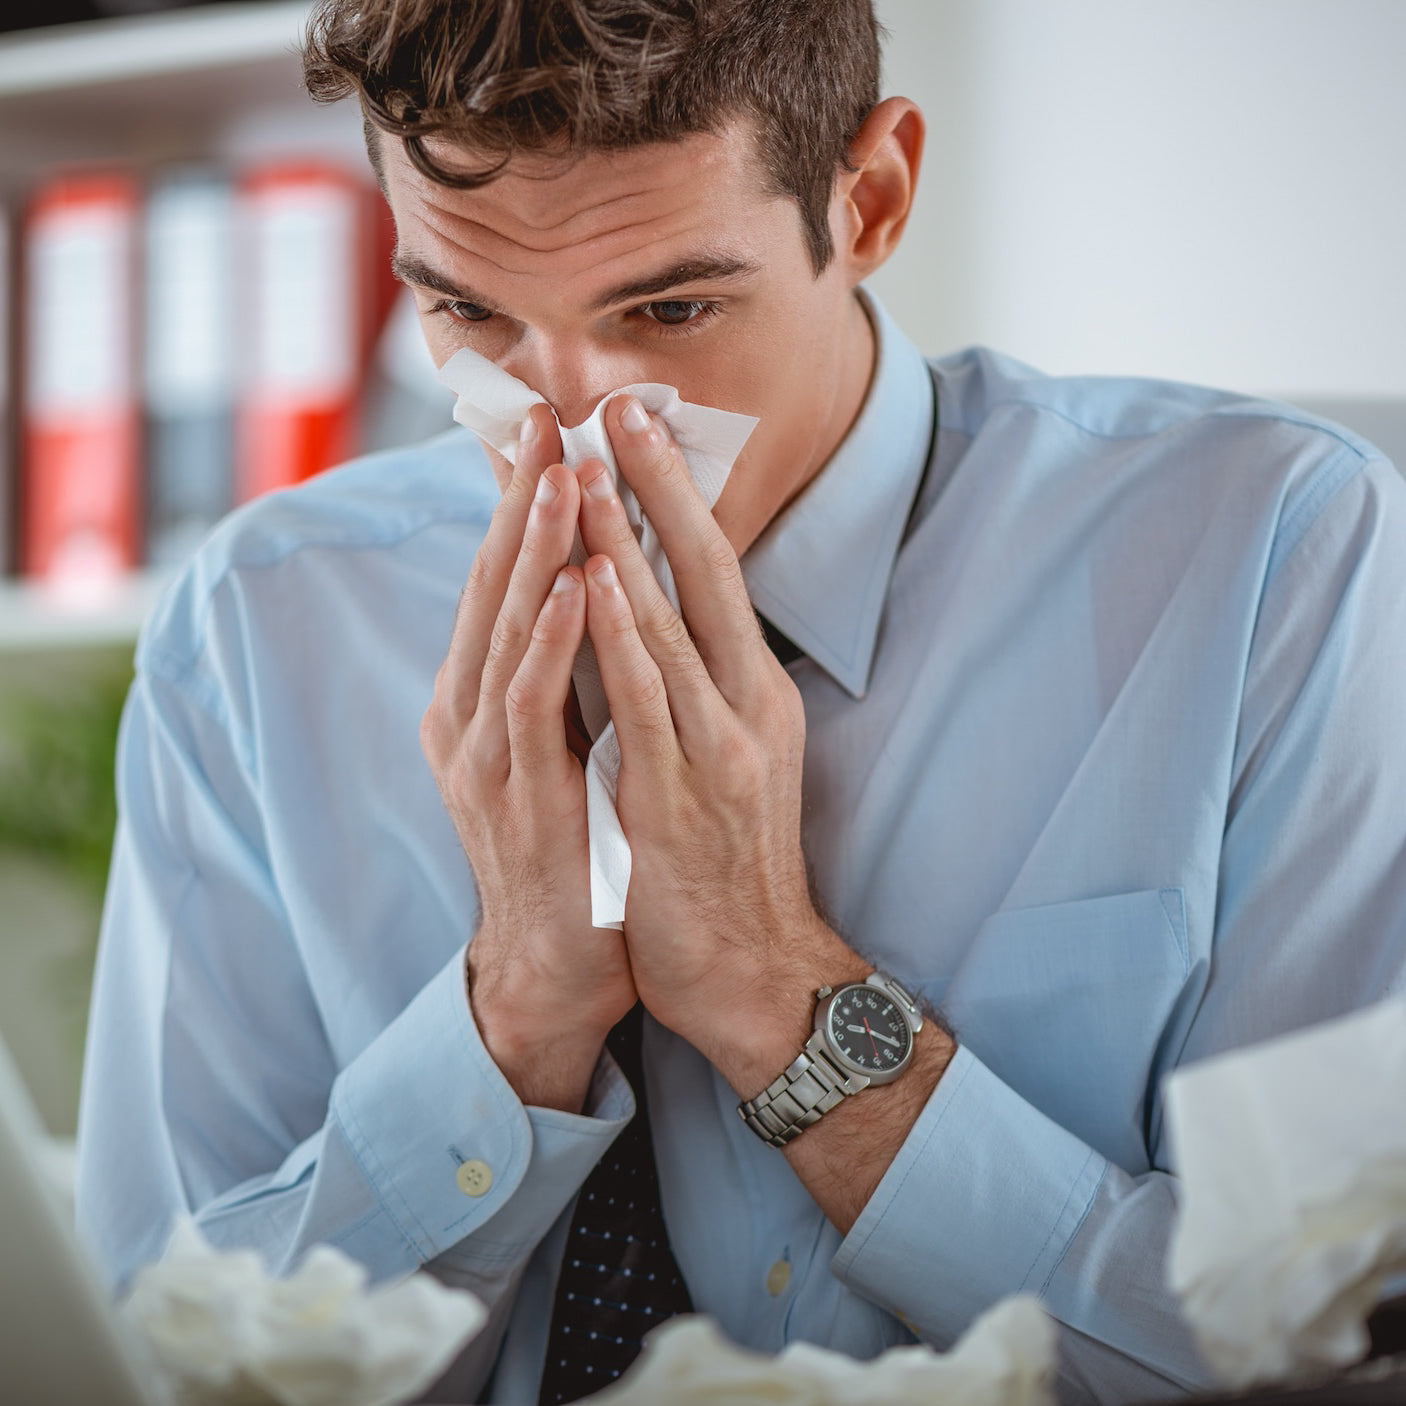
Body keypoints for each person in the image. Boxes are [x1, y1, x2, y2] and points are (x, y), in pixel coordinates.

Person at [74, 1, 1406, 1402]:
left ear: (872, 195)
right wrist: (512, 1020)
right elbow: (143, 1356)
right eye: (468, 311)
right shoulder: (265, 624)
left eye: (669, 309)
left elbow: (1323, 1354)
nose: (571, 431)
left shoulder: (1269, 561)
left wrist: (778, 988)